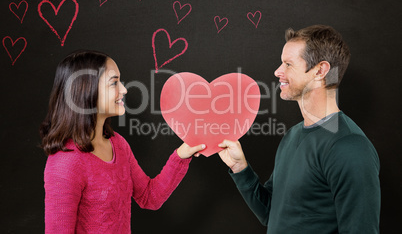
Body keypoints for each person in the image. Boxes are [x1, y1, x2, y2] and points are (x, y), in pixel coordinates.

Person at [218, 25, 380, 233]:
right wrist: (240, 168)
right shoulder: (292, 135)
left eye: (288, 64)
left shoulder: (349, 147)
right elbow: (270, 212)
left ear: (320, 71)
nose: (278, 71)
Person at [40, 50, 205, 233]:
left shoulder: (118, 144)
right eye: (114, 83)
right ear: (86, 89)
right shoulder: (65, 162)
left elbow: (149, 197)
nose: (124, 90)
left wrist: (183, 154)